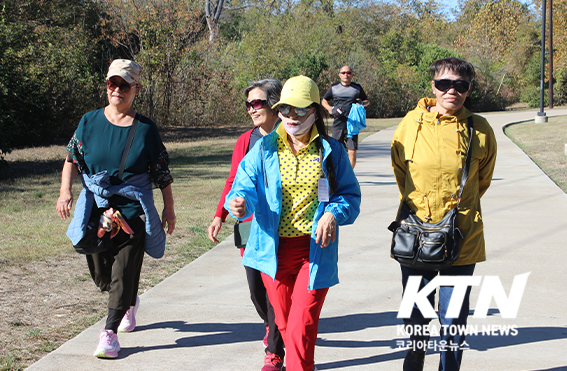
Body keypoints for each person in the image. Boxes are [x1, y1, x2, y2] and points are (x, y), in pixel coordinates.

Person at [226, 75, 361, 371]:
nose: (291, 116)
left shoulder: (331, 152)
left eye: (300, 110)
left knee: (302, 326)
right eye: (286, 109)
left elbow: (350, 198)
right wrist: (238, 202)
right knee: (286, 324)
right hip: (271, 252)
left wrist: (332, 214)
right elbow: (242, 186)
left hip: (312, 253)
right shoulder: (263, 149)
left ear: (315, 111)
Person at [56, 59, 176, 359]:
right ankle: (127, 299)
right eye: (112, 83)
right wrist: (64, 192)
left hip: (132, 210)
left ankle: (109, 334)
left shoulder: (146, 129)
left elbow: (161, 172)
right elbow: (72, 159)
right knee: (101, 273)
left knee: (124, 269)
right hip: (97, 208)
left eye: (124, 85)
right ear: (106, 85)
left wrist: (169, 208)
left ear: (137, 89)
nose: (117, 90)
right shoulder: (89, 121)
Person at [390, 57, 497, 371]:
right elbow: (401, 172)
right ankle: (415, 359)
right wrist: (422, 210)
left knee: (452, 319)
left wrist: (457, 211)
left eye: (461, 85)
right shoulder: (410, 124)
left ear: (469, 90)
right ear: (433, 86)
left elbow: (482, 180)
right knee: (416, 314)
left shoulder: (480, 129)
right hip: (415, 236)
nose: (452, 90)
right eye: (444, 84)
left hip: (462, 238)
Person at [207, 78, 285, 371]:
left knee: (275, 287)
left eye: (258, 103)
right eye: (249, 104)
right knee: (256, 289)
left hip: (280, 226)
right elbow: (232, 182)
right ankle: (273, 325)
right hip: (248, 225)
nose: (253, 109)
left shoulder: (289, 136)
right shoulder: (245, 140)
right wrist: (220, 215)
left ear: (275, 105)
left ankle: (274, 353)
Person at [321, 65, 369, 169]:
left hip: (352, 125)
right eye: (343, 73)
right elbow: (324, 101)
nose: (346, 75)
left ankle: (349, 174)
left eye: (348, 73)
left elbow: (367, 101)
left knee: (352, 151)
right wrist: (330, 109)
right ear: (339, 75)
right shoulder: (334, 88)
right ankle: (336, 173)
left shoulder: (357, 88)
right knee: (335, 150)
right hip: (338, 124)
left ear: (352, 75)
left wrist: (362, 103)